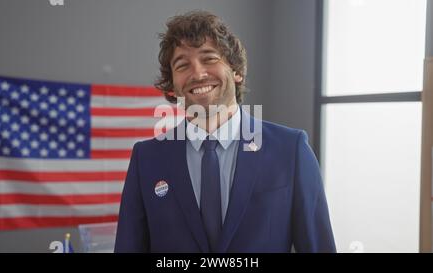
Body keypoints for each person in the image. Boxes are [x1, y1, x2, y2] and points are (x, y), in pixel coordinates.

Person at [114, 10, 336, 253]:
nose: (197, 73)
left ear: (237, 71)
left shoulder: (290, 149)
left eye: (209, 58)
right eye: (182, 65)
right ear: (173, 87)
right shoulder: (146, 158)